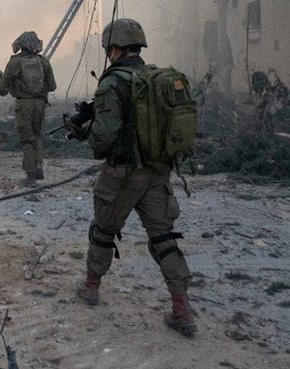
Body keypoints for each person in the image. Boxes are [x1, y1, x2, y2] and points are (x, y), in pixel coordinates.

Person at [71, 18, 197, 337]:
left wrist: (85, 133)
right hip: (157, 171)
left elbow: (105, 138)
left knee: (103, 231)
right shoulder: (154, 77)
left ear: (114, 49)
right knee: (164, 238)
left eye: (108, 50)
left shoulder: (112, 83)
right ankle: (182, 308)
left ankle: (90, 285)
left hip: (123, 173)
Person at [0, 31, 56, 185]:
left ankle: (30, 176)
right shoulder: (43, 61)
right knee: (38, 135)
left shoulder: (14, 63)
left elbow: (3, 89)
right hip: (40, 104)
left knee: (27, 138)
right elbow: (52, 86)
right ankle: (39, 167)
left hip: (23, 104)